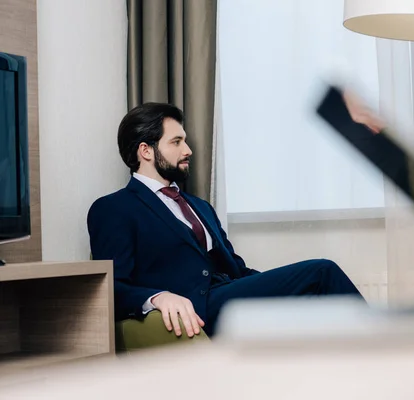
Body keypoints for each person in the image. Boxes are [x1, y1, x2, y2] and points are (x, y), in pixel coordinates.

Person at [87, 93, 382, 338]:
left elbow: (237, 270)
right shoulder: (114, 208)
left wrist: (281, 286)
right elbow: (112, 287)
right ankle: (389, 357)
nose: (188, 150)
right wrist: (156, 297)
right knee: (322, 272)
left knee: (314, 301)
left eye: (185, 141)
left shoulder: (200, 206)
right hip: (197, 307)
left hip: (228, 295)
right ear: (146, 151)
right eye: (176, 142)